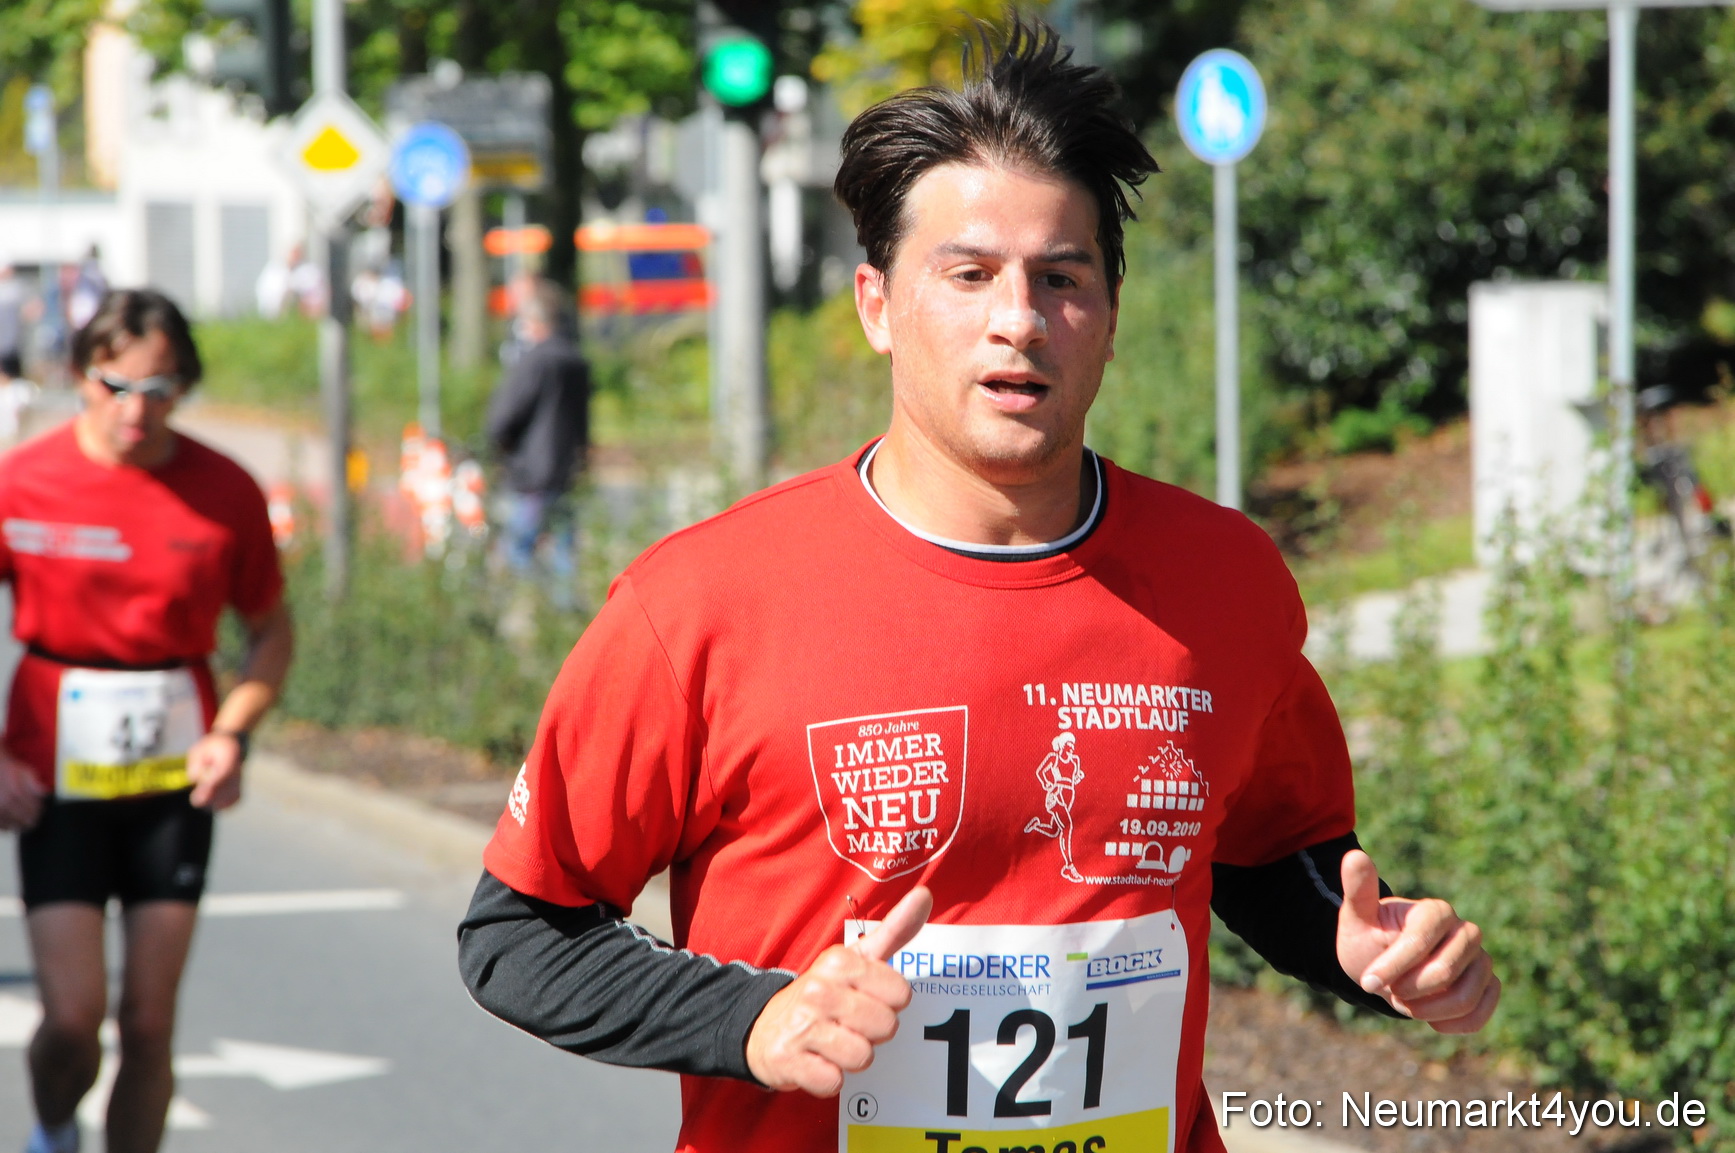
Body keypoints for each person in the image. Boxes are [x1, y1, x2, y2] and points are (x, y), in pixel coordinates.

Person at [458, 19, 1499, 1153]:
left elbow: (1276, 853)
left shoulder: (1224, 580)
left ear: (1108, 313)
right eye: (968, 275)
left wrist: (1374, 952)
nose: (1018, 320)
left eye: (1061, 278)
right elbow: (521, 931)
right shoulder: (701, 603)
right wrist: (752, 1019)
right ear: (876, 305)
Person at [0, 288, 293, 1153]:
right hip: (54, 775)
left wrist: (232, 731)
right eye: (116, 386)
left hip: (172, 778)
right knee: (72, 1017)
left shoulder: (223, 488)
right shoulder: (23, 480)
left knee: (149, 1021)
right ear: (79, 376)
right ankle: (55, 1127)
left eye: (160, 390)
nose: (137, 410)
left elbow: (270, 628)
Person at [484, 278, 590, 603]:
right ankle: (563, 612)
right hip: (566, 468)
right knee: (563, 550)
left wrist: (497, 444)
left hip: (531, 471)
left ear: (533, 320)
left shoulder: (534, 360)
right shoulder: (575, 359)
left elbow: (504, 416)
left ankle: (530, 607)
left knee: (519, 547)